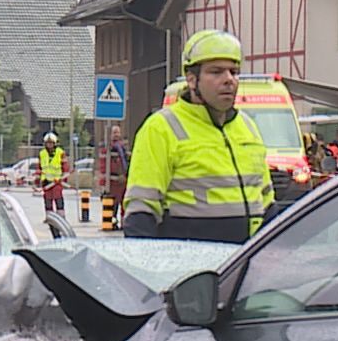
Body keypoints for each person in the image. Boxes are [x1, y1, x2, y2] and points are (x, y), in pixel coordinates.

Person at [124, 30, 272, 242]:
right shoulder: (160, 128)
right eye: (216, 72)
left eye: (234, 71)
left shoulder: (247, 126)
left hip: (244, 262)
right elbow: (141, 211)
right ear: (192, 80)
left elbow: (267, 202)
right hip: (189, 263)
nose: (229, 80)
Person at [104, 126, 130, 227]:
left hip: (122, 181)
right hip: (113, 182)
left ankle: (123, 224)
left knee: (123, 203)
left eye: (118, 132)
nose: (116, 135)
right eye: (114, 132)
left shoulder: (122, 147)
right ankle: (112, 223)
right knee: (113, 203)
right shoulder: (111, 148)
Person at [38, 132, 69, 213]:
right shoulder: (42, 153)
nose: (49, 145)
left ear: (54, 143)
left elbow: (65, 166)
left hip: (57, 181)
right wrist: (38, 180)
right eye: (48, 143)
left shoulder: (60, 152)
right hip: (46, 181)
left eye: (51, 143)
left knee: (58, 199)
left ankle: (61, 217)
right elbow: (39, 168)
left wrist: (64, 179)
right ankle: (50, 218)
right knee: (47, 201)